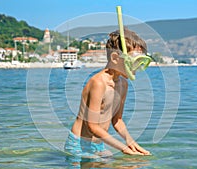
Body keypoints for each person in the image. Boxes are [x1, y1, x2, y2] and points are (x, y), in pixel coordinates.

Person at [64, 28, 152, 158]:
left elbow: (117, 120)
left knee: (134, 164)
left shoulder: (123, 84)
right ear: (115, 58)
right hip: (78, 145)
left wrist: (130, 141)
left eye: (141, 61)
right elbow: (92, 126)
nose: (138, 66)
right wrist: (123, 148)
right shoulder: (98, 83)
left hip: (98, 144)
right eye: (135, 61)